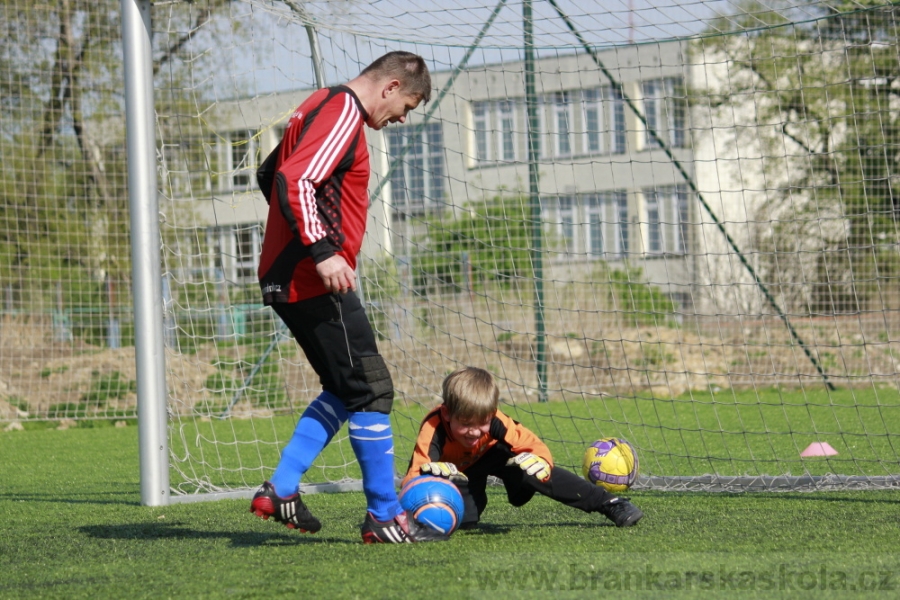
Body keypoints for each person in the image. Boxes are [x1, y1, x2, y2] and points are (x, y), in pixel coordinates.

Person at [250, 51, 443, 544]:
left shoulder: (318, 103)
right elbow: (294, 179)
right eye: (407, 106)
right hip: (313, 278)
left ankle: (281, 489)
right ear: (391, 86)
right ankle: (384, 516)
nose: (401, 119)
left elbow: (270, 172)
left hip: (291, 274)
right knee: (371, 390)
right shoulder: (343, 112)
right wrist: (320, 250)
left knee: (345, 387)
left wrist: (294, 243)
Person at [402, 366, 644, 529]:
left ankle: (610, 503)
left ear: (491, 414)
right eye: (465, 424)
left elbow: (535, 447)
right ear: (447, 413)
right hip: (462, 473)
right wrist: (431, 478)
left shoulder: (497, 421)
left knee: (534, 471)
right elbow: (412, 479)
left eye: (483, 423)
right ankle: (476, 489)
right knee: (465, 520)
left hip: (498, 456)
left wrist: (540, 461)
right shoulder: (433, 428)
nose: (474, 432)